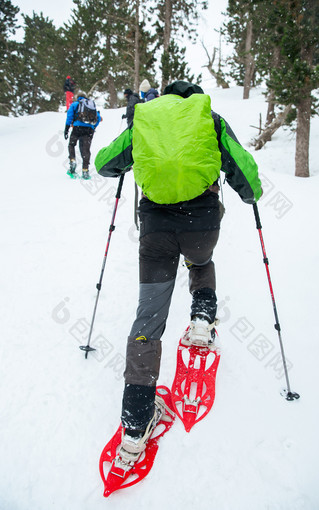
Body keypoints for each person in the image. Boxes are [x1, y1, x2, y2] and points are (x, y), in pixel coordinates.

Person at [95, 80, 262, 466]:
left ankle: (135, 429)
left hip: (155, 230)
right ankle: (202, 322)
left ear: (165, 97)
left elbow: (105, 163)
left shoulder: (144, 118)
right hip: (202, 224)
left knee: (148, 319)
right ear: (194, 98)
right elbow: (244, 169)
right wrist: (250, 194)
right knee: (201, 262)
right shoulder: (209, 117)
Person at [64, 90, 102, 179]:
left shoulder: (75, 104)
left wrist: (67, 128)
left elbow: (69, 116)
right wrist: (93, 127)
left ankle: (72, 160)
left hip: (77, 128)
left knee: (72, 144)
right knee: (85, 150)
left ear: (78, 98)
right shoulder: (90, 105)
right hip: (88, 130)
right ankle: (85, 170)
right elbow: (98, 118)